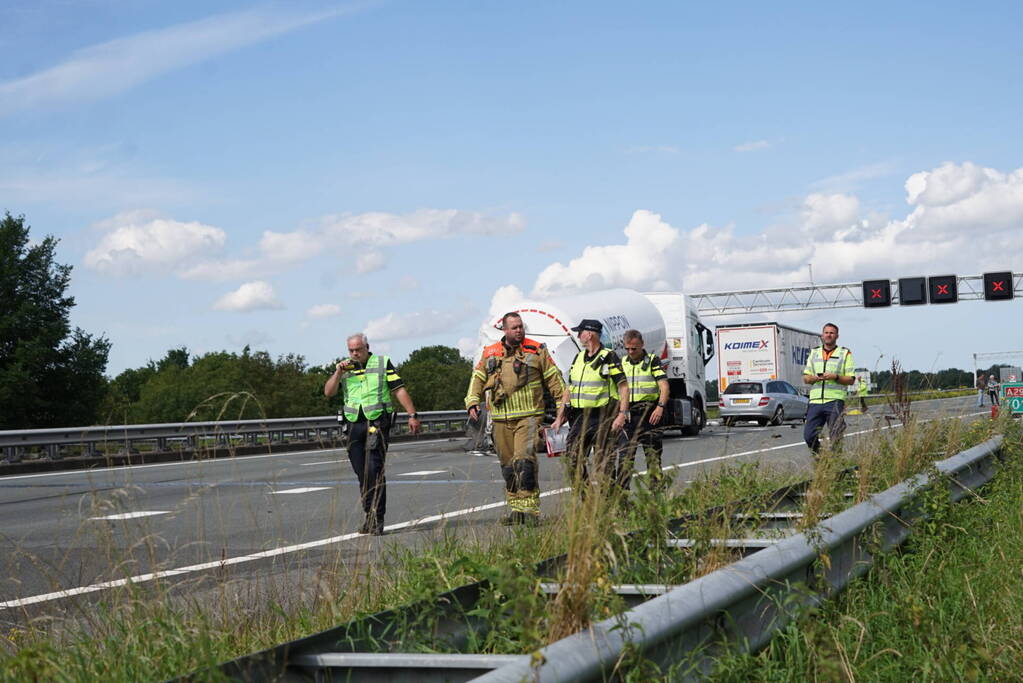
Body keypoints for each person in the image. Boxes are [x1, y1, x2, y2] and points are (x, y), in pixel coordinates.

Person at [465, 312, 565, 526]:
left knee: (524, 461)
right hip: (500, 419)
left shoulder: (537, 349)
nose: (519, 330)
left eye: (521, 326)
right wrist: (472, 400)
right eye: (514, 327)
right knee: (508, 467)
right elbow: (478, 377)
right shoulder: (490, 352)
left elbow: (555, 380)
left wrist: (562, 409)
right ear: (505, 330)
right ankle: (517, 510)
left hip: (528, 417)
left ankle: (531, 510)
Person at [324, 333, 421, 535]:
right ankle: (369, 514)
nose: (355, 353)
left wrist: (412, 415)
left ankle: (378, 518)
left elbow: (399, 390)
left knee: (374, 470)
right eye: (351, 350)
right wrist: (337, 373)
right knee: (362, 474)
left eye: (358, 349)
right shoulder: (344, 368)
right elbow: (329, 392)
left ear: (367, 347)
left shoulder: (382, 363)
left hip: (377, 423)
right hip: (353, 425)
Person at [551, 319, 629, 495]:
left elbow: (623, 386)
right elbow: (569, 389)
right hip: (579, 417)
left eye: (581, 332)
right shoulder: (578, 358)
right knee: (572, 459)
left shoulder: (609, 357)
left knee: (604, 464)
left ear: (590, 334)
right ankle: (586, 498)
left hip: (603, 417)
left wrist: (622, 414)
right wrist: (559, 417)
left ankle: (610, 502)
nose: (578, 336)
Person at [615, 329, 670, 490]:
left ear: (642, 345)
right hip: (628, 415)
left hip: (649, 414)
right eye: (628, 349)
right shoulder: (622, 363)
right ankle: (622, 496)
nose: (631, 352)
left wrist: (660, 407)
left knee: (653, 456)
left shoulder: (652, 361)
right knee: (625, 457)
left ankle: (656, 494)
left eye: (634, 348)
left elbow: (664, 386)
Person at [802, 323, 855, 455]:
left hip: (835, 400)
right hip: (815, 402)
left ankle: (835, 464)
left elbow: (851, 379)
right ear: (822, 335)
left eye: (832, 333)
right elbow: (806, 378)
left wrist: (835, 377)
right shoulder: (814, 353)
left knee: (836, 435)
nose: (828, 335)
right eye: (826, 332)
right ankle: (822, 458)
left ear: (837, 336)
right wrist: (815, 378)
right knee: (809, 435)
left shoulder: (844, 353)